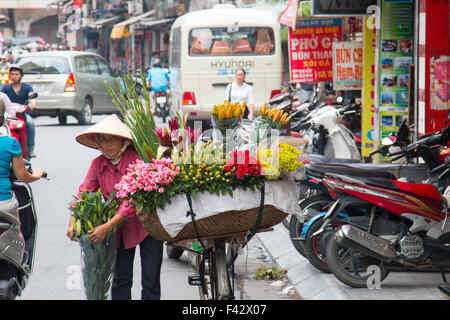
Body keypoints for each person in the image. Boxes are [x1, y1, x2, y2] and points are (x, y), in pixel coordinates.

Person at [66, 114, 163, 300]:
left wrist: (106, 227)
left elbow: (131, 202)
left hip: (148, 227)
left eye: (113, 139)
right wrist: (73, 221)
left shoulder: (136, 160)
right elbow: (83, 193)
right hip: (120, 230)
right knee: (120, 281)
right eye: (103, 140)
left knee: (150, 281)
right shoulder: (97, 164)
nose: (108, 144)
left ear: (123, 141)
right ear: (98, 143)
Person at [0, 99, 45, 227]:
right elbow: (23, 176)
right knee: (16, 236)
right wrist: (36, 175)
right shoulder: (11, 143)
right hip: (4, 204)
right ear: (2, 119)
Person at [1, 65, 36, 158]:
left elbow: (32, 98)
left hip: (22, 114)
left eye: (16, 74)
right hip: (8, 116)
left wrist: (32, 103)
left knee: (30, 123)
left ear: (21, 75)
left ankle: (30, 149)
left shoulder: (27, 87)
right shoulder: (5, 88)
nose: (14, 76)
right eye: (12, 74)